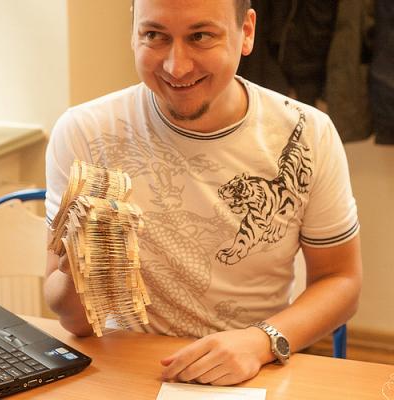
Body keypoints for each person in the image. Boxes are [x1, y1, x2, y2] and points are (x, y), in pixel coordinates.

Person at [44, 0, 362, 386]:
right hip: (124, 369)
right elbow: (74, 321)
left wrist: (260, 341)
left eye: (200, 36)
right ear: (133, 32)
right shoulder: (85, 133)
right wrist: (81, 258)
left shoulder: (308, 133)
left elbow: (341, 281)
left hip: (252, 372)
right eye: (154, 35)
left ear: (246, 32)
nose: (176, 67)